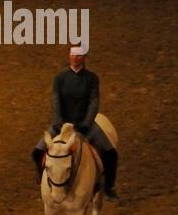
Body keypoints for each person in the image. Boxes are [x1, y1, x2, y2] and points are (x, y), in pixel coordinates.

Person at [31, 49, 118, 199]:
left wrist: (86, 123)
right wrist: (58, 122)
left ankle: (107, 187)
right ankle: (42, 179)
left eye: (78, 55)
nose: (75, 58)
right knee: (37, 152)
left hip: (86, 125)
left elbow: (93, 102)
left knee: (111, 153)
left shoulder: (92, 78)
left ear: (84, 57)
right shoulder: (60, 78)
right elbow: (55, 100)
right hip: (61, 124)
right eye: (72, 55)